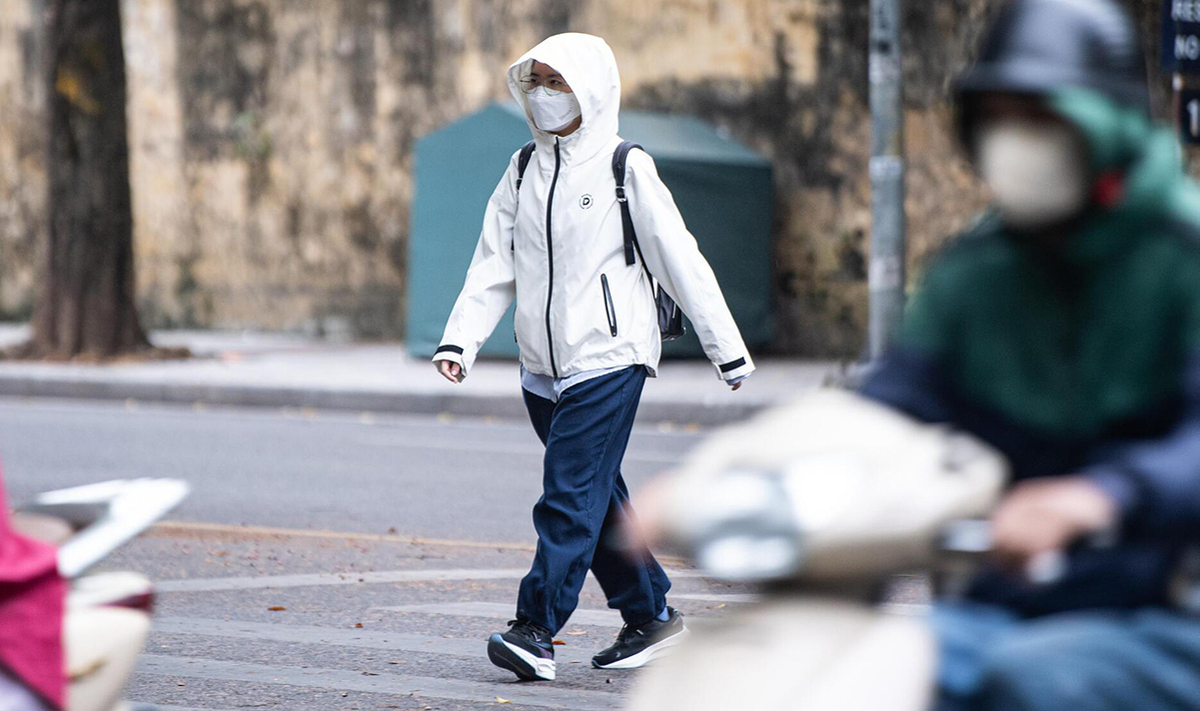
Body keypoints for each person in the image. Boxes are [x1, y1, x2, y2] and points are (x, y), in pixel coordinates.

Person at [860, 0, 1200, 709]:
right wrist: (739, 476)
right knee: (854, 669)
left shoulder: (1181, 254)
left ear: (1106, 126)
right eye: (998, 117)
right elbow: (885, 409)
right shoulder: (975, 273)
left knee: (1031, 677)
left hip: (1169, 606)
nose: (1017, 141)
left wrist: (1106, 494)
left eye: (1041, 116)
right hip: (1008, 604)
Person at [431, 32, 755, 682]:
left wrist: (728, 351)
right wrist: (460, 340)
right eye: (538, 82)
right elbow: (493, 261)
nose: (546, 94)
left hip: (609, 357)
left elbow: (681, 259)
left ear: (591, 90)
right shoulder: (522, 168)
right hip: (541, 370)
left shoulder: (625, 167)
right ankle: (652, 617)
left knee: (569, 496)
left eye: (560, 82)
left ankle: (535, 629)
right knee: (596, 498)